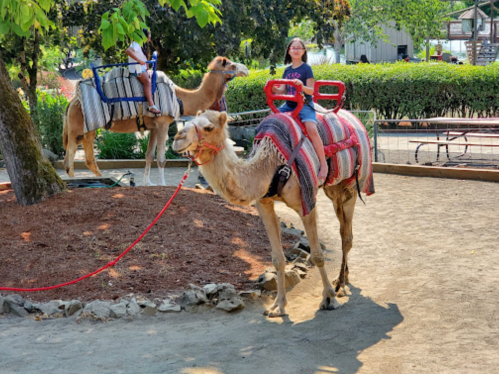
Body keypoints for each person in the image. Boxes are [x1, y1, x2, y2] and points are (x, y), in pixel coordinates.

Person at [272, 37, 328, 186]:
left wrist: (301, 86)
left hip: (304, 104)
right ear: (289, 51)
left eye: (299, 48)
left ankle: (323, 163)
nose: (296, 50)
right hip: (289, 104)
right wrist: (273, 87)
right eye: (293, 47)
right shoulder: (287, 70)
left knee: (311, 128)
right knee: (271, 120)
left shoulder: (306, 69)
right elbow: (282, 90)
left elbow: (311, 90)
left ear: (303, 51)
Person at [125, 28, 161, 114]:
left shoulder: (142, 45)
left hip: (141, 68)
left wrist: (146, 66)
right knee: (147, 83)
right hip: (137, 70)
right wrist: (138, 60)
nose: (149, 40)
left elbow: (143, 57)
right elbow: (128, 51)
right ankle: (151, 105)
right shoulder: (136, 44)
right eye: (148, 38)